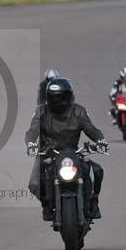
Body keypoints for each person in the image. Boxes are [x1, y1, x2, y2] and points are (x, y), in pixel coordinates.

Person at [25, 77, 108, 222]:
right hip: (48, 154)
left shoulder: (78, 111)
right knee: (35, 183)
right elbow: (31, 132)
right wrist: (31, 144)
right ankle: (46, 205)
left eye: (61, 96)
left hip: (73, 153)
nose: (57, 100)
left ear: (68, 96)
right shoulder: (41, 112)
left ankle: (93, 202)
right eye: (53, 97)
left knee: (96, 171)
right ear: (48, 97)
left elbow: (92, 129)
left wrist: (100, 140)